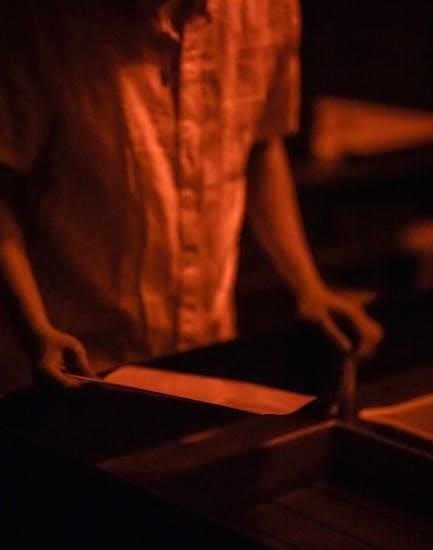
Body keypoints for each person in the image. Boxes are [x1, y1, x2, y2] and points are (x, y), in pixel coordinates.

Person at [0, 0, 383, 391]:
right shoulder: (39, 20)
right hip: (77, 365)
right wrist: (36, 328)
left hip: (209, 353)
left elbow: (259, 143)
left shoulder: (268, 7)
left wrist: (309, 287)